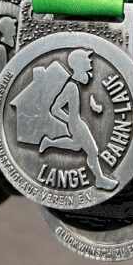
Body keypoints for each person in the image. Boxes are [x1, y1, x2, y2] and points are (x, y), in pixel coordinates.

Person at [39, 49, 118, 191]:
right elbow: (55, 108)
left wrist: (95, 107)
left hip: (79, 123)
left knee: (76, 146)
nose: (90, 61)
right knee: (92, 151)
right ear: (79, 64)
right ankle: (99, 180)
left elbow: (87, 98)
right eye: (87, 59)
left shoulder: (85, 80)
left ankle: (48, 142)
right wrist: (70, 120)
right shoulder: (71, 86)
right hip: (77, 124)